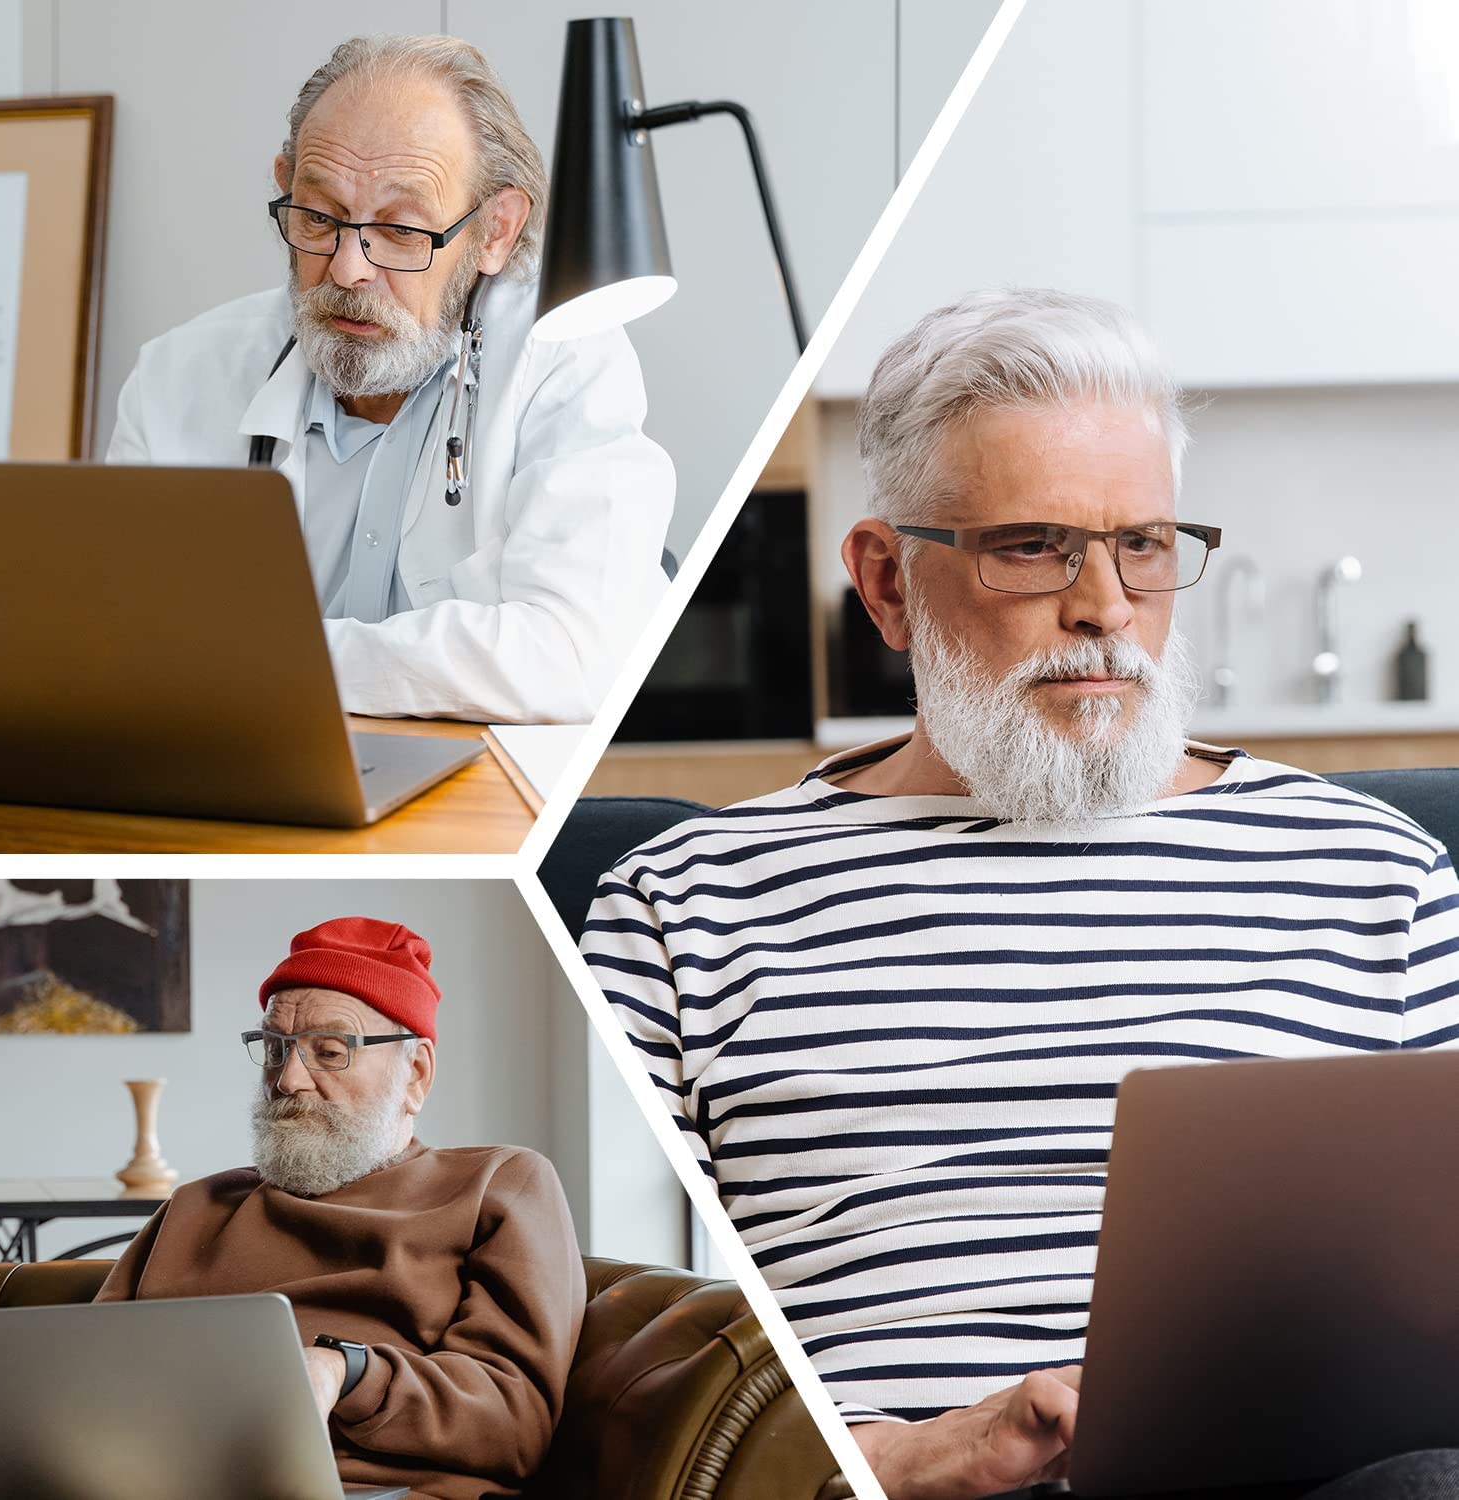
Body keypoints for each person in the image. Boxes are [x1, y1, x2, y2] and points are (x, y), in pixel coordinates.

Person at [582, 289, 1459, 1499]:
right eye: (1034, 546)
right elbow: (622, 1367)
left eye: (1143, 544)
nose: (1105, 606)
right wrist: (896, 1458)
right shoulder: (682, 907)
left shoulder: (1377, 875)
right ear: (888, 582)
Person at [107, 35, 674, 724]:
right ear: (286, 185)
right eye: (320, 217)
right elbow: (124, 642)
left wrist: (276, 663)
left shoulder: (564, 356)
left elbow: (573, 656)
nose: (349, 269)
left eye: (402, 231)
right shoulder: (177, 378)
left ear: (496, 229)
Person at [97, 916, 585, 1500]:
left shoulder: (496, 1184)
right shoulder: (196, 1205)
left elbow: (515, 1424)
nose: (288, 1080)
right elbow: (83, 1369)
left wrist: (346, 1372)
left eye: (329, 1051)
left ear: (415, 1074)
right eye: (274, 1049)